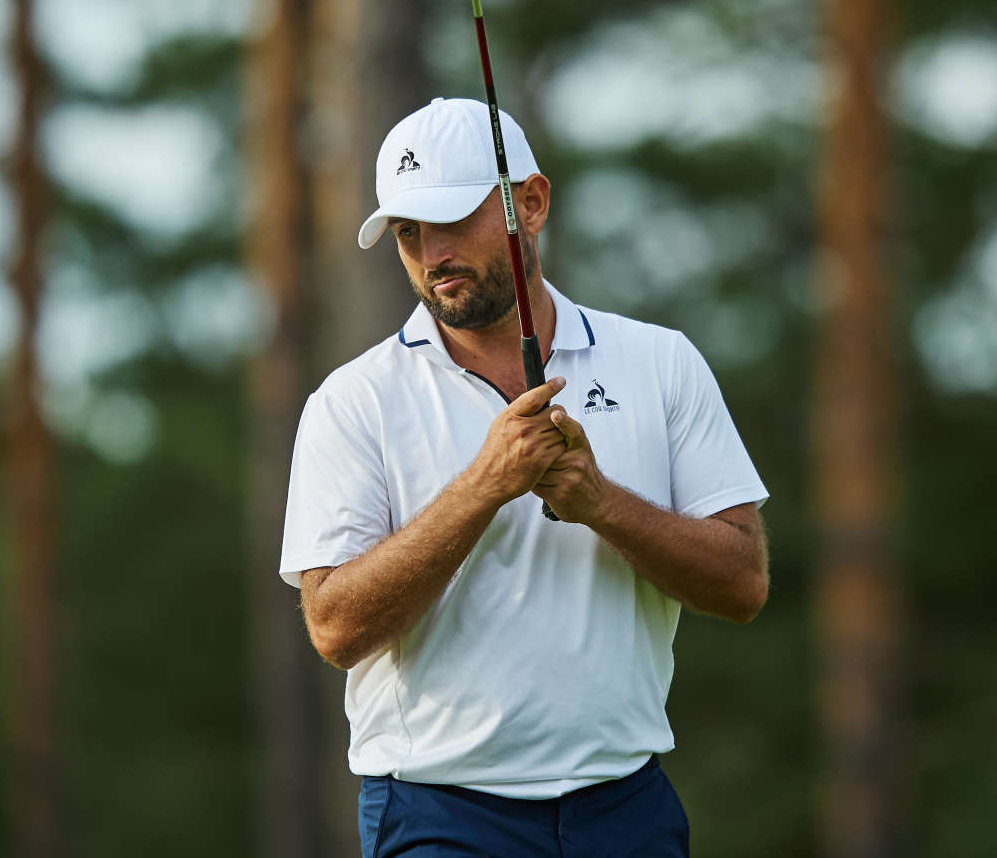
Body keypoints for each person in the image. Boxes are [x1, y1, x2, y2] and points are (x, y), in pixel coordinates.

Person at [280, 97, 770, 857]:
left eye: (450, 221)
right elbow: (335, 627)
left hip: (626, 805)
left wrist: (600, 504)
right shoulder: (353, 401)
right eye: (407, 233)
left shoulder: (660, 362)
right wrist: (485, 485)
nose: (430, 254)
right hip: (439, 813)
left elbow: (743, 584)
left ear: (530, 203)